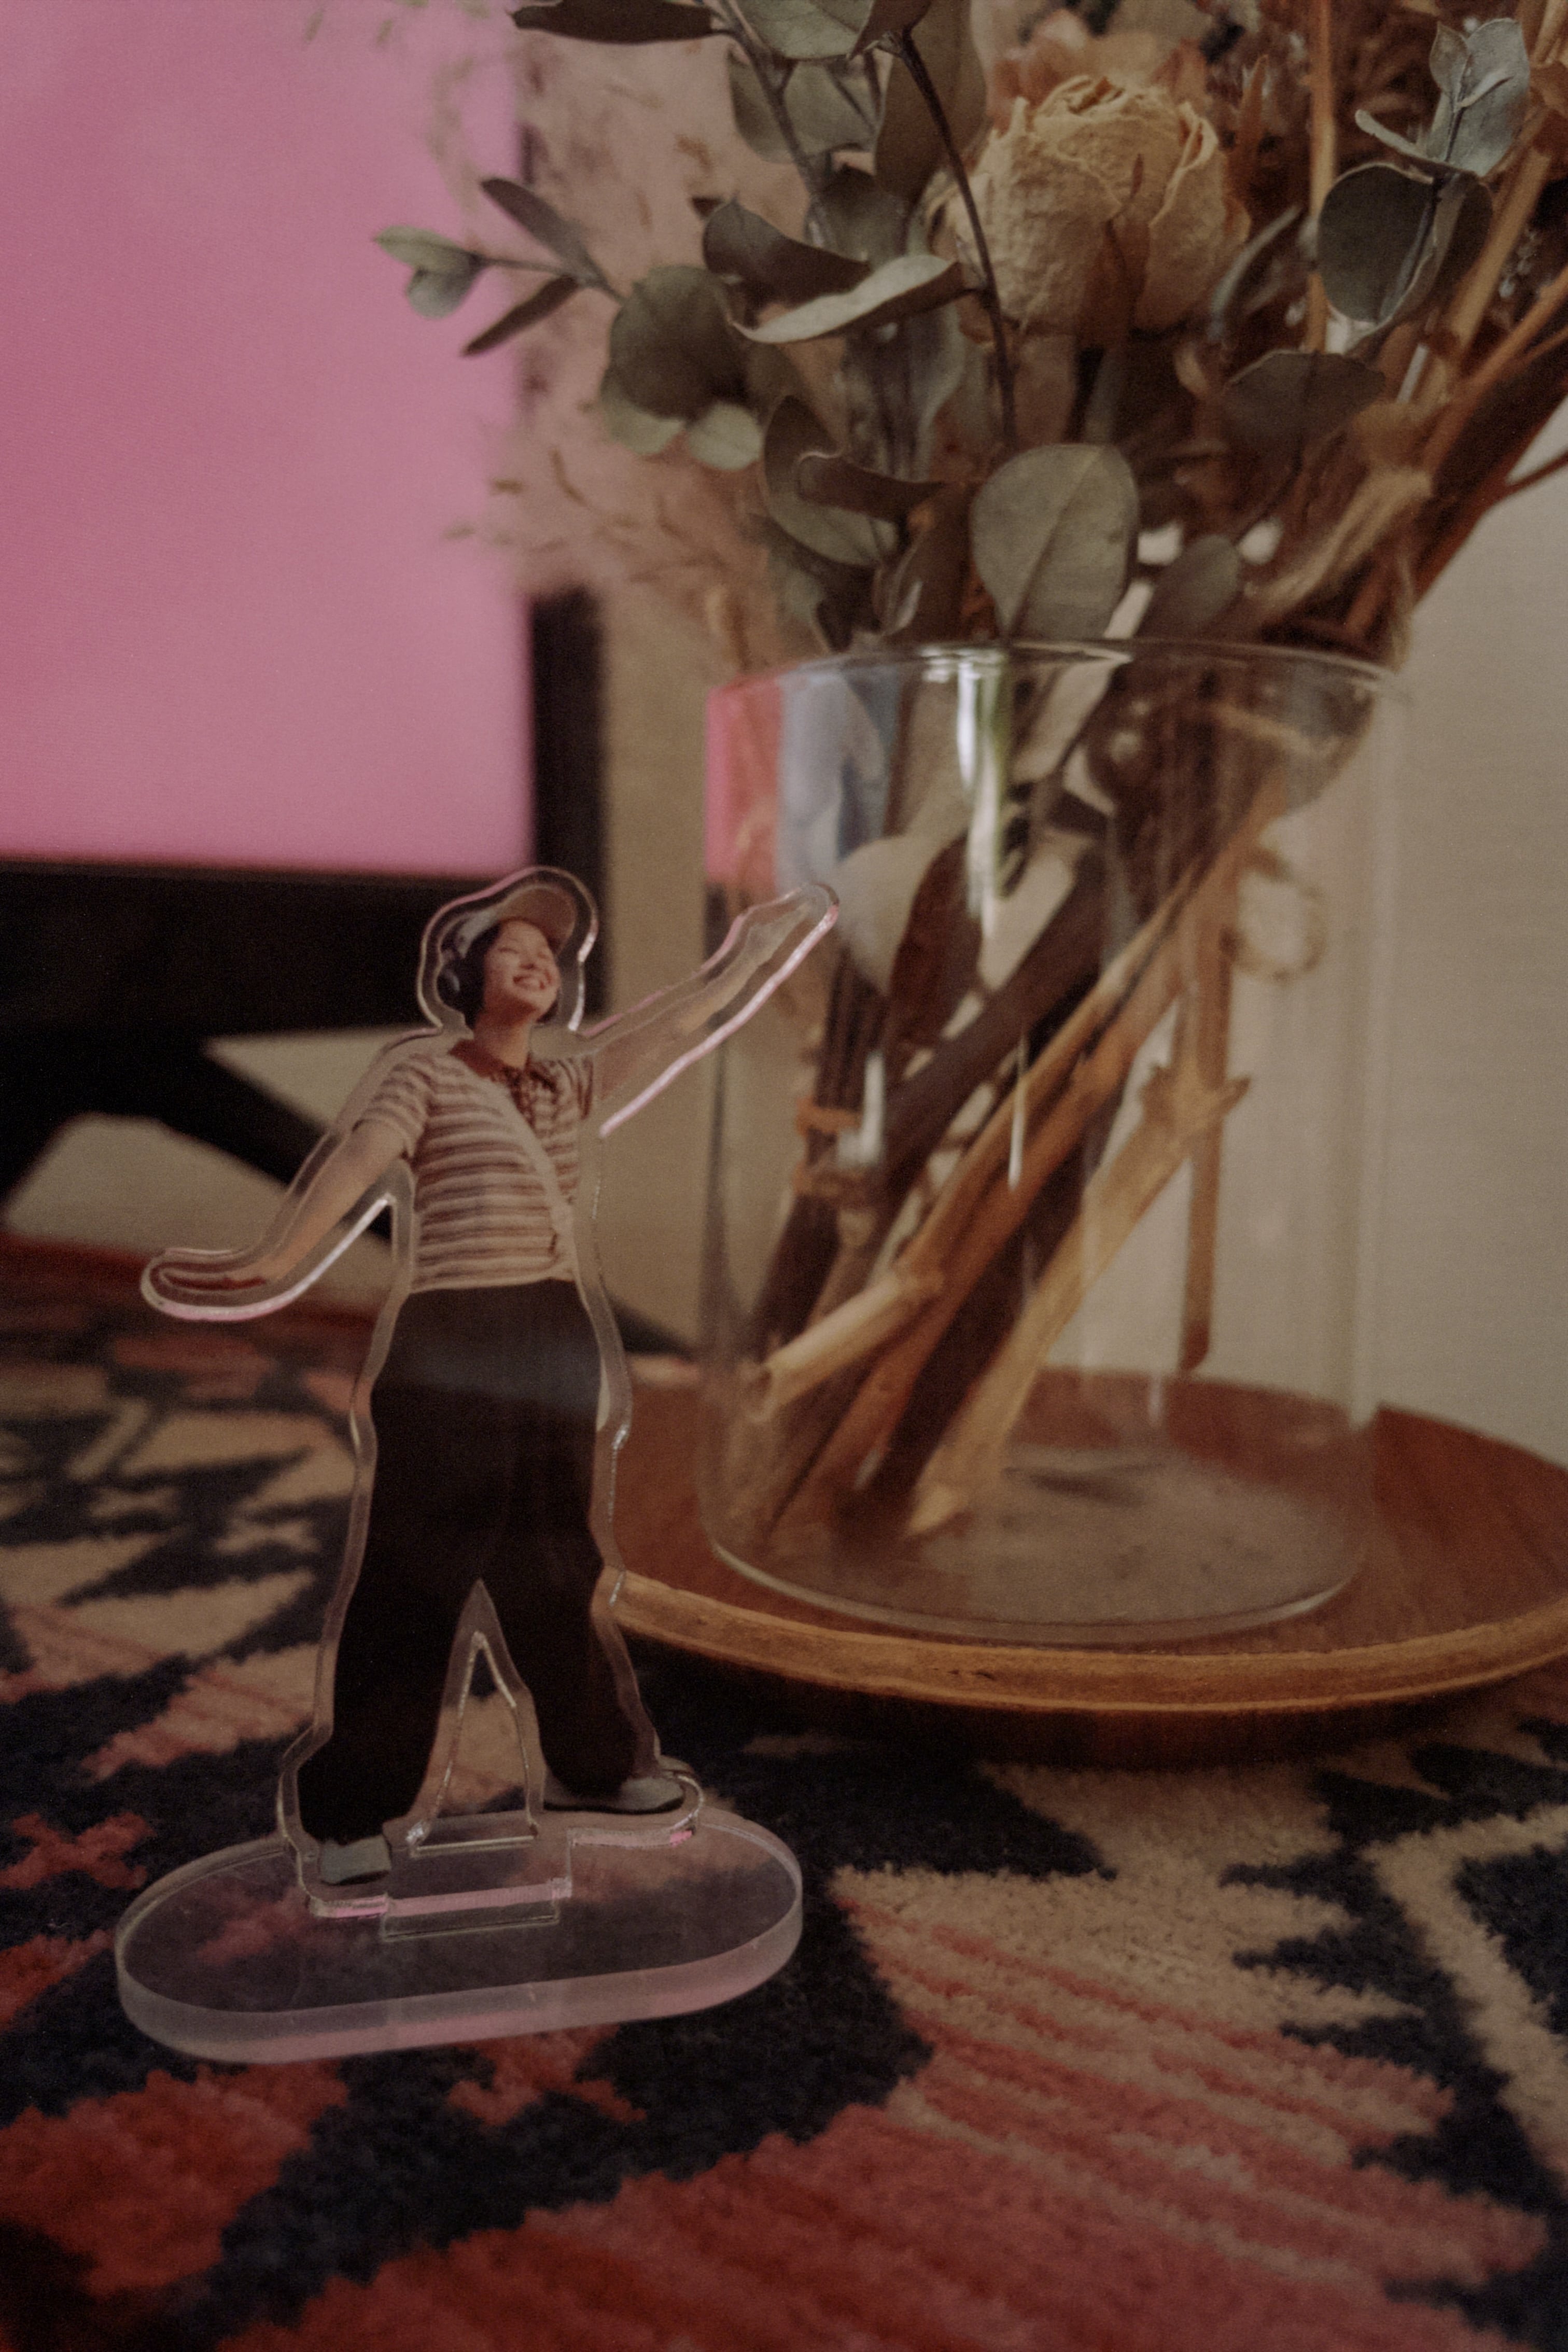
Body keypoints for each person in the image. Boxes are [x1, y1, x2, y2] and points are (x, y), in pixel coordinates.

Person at [147, 870, 833, 1887]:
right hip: (454, 1333)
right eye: (510, 950)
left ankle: (594, 1770)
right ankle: (352, 1815)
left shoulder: (567, 1083)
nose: (535, 963)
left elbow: (682, 1025)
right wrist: (274, 1262)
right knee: (417, 1569)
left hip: (553, 1330)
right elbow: (358, 1161)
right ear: (465, 975)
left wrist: (760, 949)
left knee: (556, 1562)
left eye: (547, 954)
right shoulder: (425, 1072)